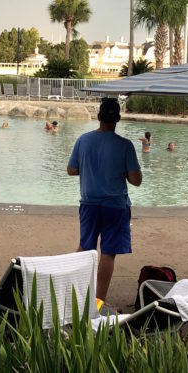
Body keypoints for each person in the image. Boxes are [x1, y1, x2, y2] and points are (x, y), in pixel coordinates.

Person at [66, 98, 142, 302]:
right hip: (115, 207)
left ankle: (74, 294)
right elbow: (136, 181)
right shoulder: (125, 145)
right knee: (107, 253)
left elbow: (71, 170)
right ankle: (98, 302)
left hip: (89, 204)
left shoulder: (83, 140)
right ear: (118, 118)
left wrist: (91, 168)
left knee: (85, 248)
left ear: (98, 117)